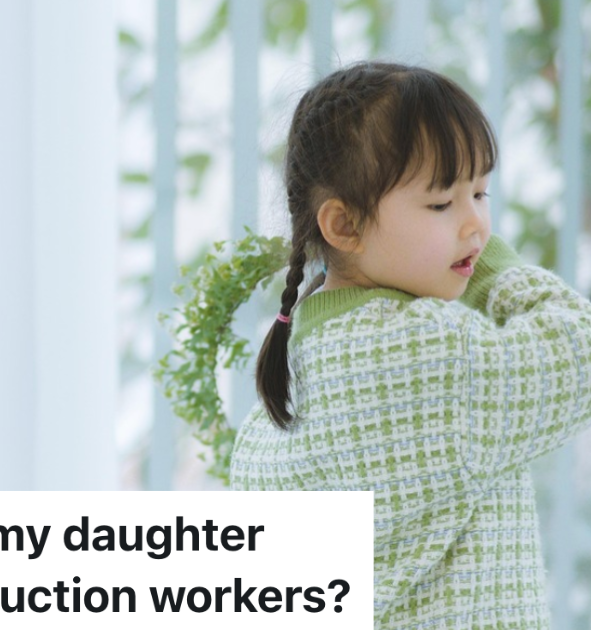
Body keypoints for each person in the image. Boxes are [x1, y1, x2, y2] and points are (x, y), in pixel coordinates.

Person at [228, 60, 591, 629]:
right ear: (343, 226)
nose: (476, 224)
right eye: (442, 203)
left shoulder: (288, 383)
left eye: (481, 191)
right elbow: (579, 354)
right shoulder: (426, 358)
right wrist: (487, 268)